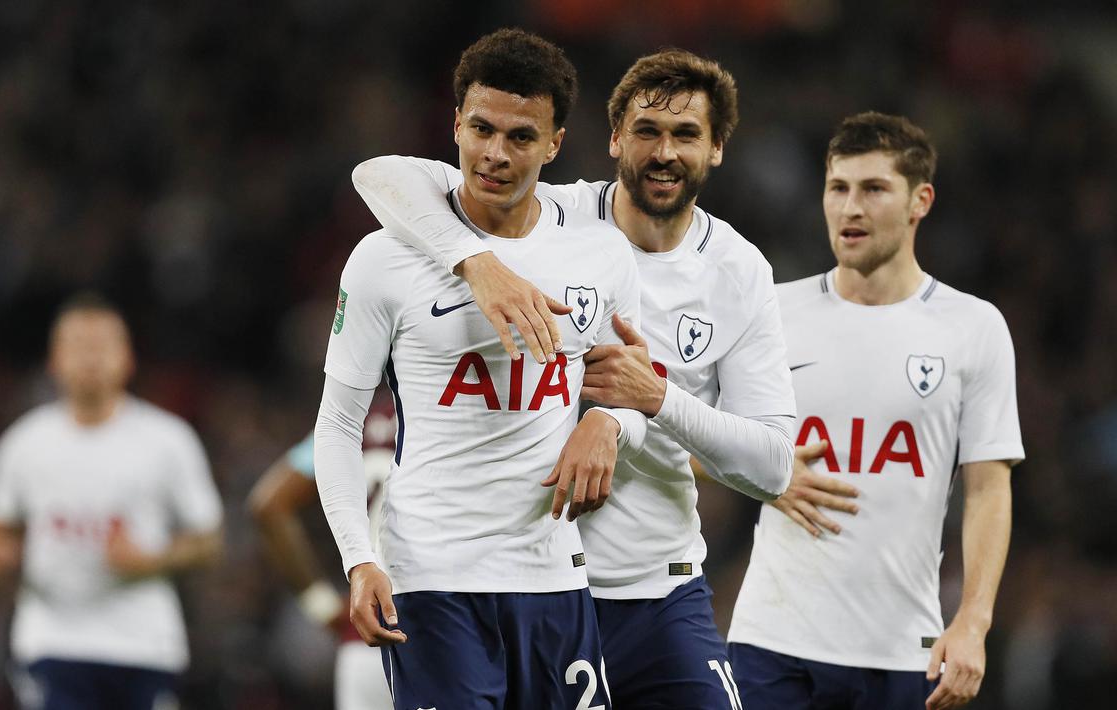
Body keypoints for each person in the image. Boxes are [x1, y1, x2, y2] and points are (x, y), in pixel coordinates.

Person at [350, 49, 796, 708]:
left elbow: (771, 467)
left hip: (653, 593)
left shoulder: (739, 272)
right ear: (613, 138)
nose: (663, 152)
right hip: (525, 585)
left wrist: (648, 402)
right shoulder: (546, 214)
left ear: (716, 149)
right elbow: (383, 177)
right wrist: (478, 263)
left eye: (685, 135)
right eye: (646, 131)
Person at [314, 28, 642, 709]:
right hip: (434, 578)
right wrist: (358, 557)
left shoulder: (600, 256)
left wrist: (607, 422)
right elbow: (338, 424)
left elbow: (636, 388)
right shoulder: (384, 259)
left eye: (521, 137)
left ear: (554, 144)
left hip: (554, 578)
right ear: (455, 124)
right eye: (481, 129)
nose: (495, 154)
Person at [725, 112, 1025, 710]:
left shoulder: (973, 328)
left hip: (899, 647)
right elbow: (696, 442)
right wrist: (767, 475)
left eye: (873, 189)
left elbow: (989, 489)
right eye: (838, 188)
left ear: (921, 201)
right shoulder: (772, 313)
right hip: (771, 640)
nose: (850, 208)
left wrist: (973, 620)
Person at [0, 293, 223, 710]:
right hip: (52, 640)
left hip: (144, 643)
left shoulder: (168, 441)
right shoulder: (24, 443)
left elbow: (208, 540)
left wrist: (151, 561)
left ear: (128, 358)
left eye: (102, 345)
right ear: (53, 360)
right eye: (77, 345)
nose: (90, 357)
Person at [246, 397, 396, 710]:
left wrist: (321, 604)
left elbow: (268, 504)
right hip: (444, 629)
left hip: (363, 640)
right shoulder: (452, 411)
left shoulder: (356, 417)